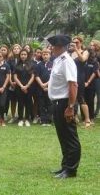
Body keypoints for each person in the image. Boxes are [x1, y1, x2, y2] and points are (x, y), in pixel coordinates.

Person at [48, 34, 81, 179]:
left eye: (54, 45)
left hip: (65, 103)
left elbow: (73, 85)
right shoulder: (58, 60)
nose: (51, 48)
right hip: (57, 103)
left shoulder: (67, 61)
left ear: (60, 47)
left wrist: (71, 106)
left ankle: (71, 170)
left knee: (70, 137)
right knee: (63, 136)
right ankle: (65, 166)